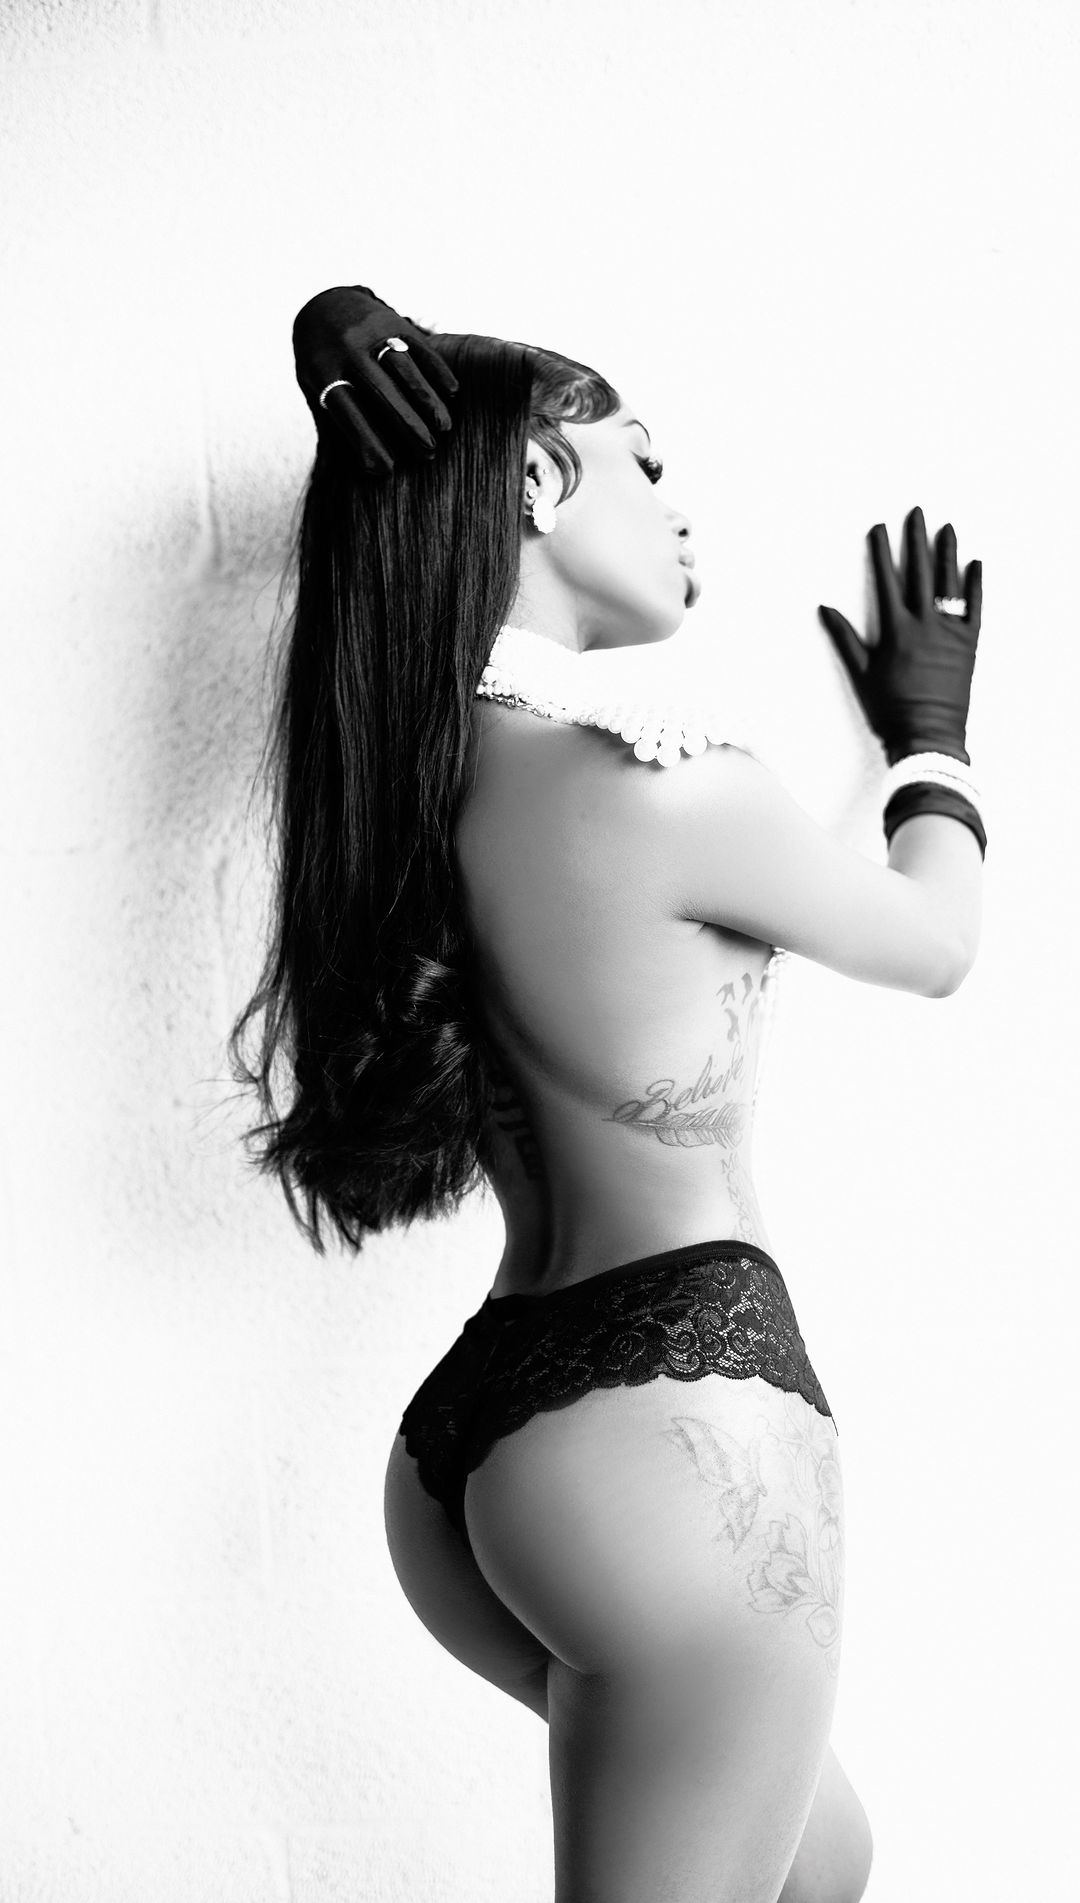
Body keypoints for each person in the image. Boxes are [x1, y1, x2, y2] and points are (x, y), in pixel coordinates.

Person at [230, 284, 986, 1903]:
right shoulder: (669, 783)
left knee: (824, 1863)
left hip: (479, 1443)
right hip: (680, 1423)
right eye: (644, 461)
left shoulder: (398, 780)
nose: (679, 505)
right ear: (533, 482)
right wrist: (934, 746)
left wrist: (330, 330)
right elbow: (932, 942)